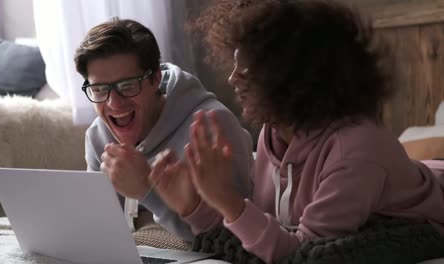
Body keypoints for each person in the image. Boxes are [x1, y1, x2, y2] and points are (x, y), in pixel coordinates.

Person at [150, 0, 444, 262]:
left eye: (249, 67)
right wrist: (192, 205)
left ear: (299, 75)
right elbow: (262, 232)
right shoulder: (273, 132)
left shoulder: (356, 149)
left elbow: (301, 254)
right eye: (234, 63)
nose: (232, 78)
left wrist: (227, 199)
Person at [73, 18, 253, 243]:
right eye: (99, 89)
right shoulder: (99, 135)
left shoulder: (212, 127)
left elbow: (234, 243)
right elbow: (100, 233)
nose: (114, 104)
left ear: (155, 78)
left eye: (127, 86)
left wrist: (148, 191)